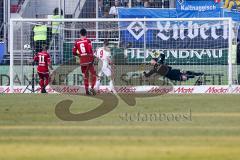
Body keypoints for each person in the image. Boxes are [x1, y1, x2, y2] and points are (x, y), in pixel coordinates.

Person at [72, 28, 97, 95]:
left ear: (80, 34)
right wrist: (92, 59)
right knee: (94, 74)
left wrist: (80, 55)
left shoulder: (77, 42)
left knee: (85, 76)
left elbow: (73, 52)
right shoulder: (88, 41)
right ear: (86, 34)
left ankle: (86, 90)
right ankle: (92, 87)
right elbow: (90, 51)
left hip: (82, 61)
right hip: (88, 60)